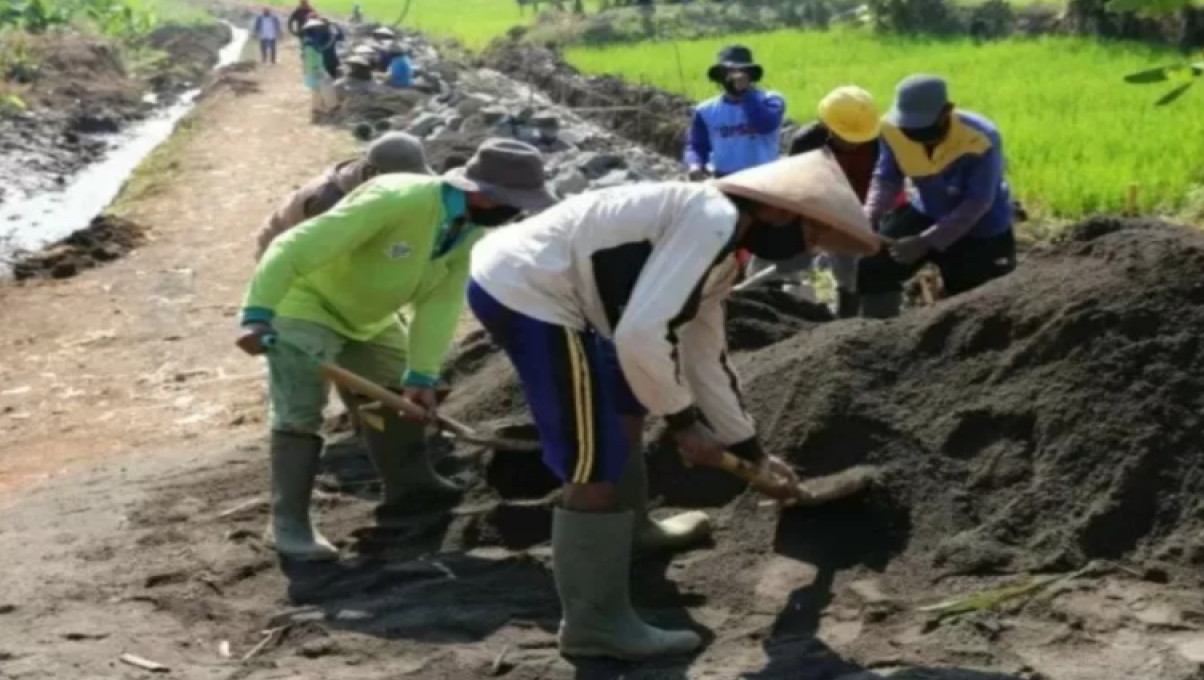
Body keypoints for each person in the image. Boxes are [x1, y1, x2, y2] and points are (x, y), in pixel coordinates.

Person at [466, 149, 880, 661]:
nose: (807, 249)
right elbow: (643, 334)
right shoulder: (713, 219)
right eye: (811, 235)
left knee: (627, 404)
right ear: (779, 211)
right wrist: (684, 423)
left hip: (568, 295)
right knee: (591, 454)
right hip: (529, 290)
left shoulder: (724, 250)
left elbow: (703, 355)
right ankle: (593, 625)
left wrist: (749, 448)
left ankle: (634, 532)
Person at [234, 139, 556, 563]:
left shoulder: (471, 231)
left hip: (370, 315)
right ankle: (289, 523)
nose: (516, 212)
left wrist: (420, 376)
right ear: (483, 193)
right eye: (515, 203)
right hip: (306, 302)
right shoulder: (398, 198)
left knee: (396, 387)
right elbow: (290, 246)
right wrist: (257, 313)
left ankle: (410, 481)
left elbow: (440, 304)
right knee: (300, 406)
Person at [857, 74, 1017, 318]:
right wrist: (870, 214)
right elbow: (887, 177)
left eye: (923, 128)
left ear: (947, 112)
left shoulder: (980, 138)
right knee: (874, 266)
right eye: (908, 128)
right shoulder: (890, 129)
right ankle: (874, 336)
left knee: (977, 305)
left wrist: (926, 241)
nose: (914, 135)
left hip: (981, 226)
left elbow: (978, 201)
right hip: (928, 210)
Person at [772, 86, 908, 315]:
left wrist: (874, 217)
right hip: (830, 210)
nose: (854, 143)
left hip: (875, 209)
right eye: (846, 137)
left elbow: (891, 182)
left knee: (875, 269)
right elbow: (795, 185)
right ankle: (844, 316)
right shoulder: (807, 143)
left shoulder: (884, 139)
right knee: (845, 269)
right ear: (827, 125)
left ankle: (881, 316)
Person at [256, 132, 432, 259]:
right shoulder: (330, 202)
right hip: (284, 254)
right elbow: (324, 262)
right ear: (373, 173)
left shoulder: (367, 178)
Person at [684, 45, 785, 181]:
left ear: (750, 75)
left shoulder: (771, 100)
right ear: (721, 77)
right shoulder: (706, 110)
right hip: (726, 180)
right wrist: (694, 164)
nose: (736, 77)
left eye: (741, 72)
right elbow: (697, 145)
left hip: (765, 179)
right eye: (730, 72)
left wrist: (746, 94)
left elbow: (764, 125)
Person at [300, 18, 339, 120]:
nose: (319, 30)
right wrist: (317, 69)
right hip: (316, 69)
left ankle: (316, 109)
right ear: (312, 30)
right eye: (317, 29)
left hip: (314, 69)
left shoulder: (310, 41)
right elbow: (311, 58)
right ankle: (332, 107)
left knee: (317, 90)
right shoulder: (310, 44)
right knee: (327, 85)